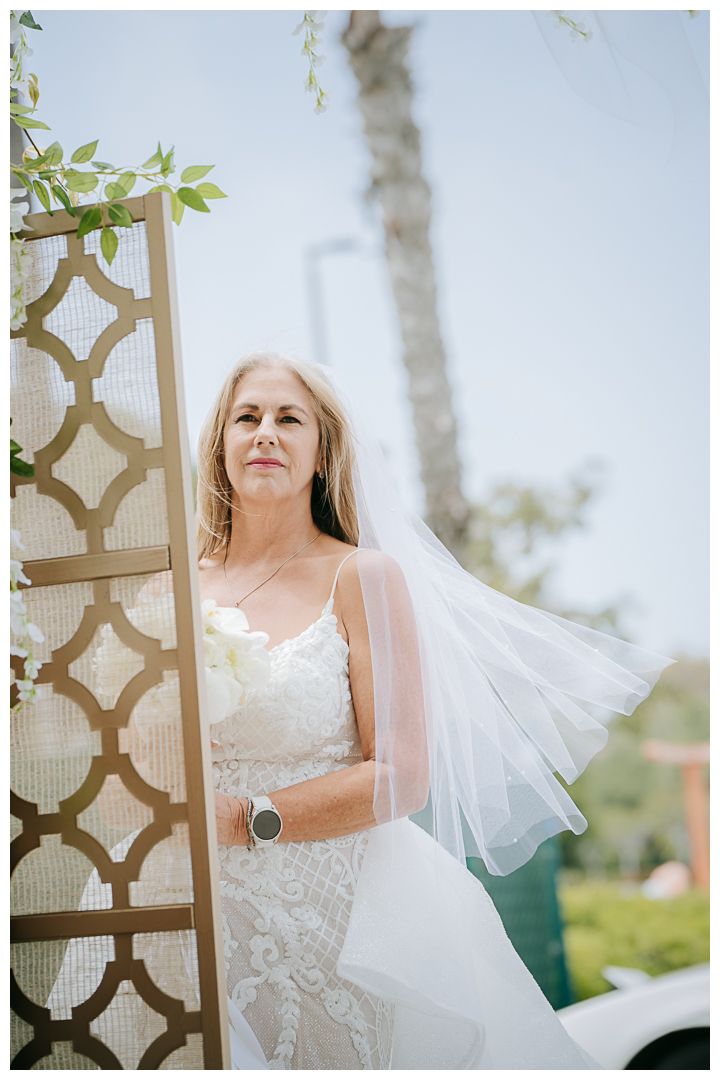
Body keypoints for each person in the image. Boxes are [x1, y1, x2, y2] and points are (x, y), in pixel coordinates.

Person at [194, 351, 673, 1069]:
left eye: (289, 419)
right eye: (247, 417)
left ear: (321, 454)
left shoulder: (363, 577)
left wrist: (244, 819)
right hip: (189, 911)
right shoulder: (169, 586)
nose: (266, 432)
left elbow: (401, 776)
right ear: (221, 446)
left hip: (339, 925)